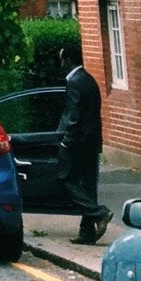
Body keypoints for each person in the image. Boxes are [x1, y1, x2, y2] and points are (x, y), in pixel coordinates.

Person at [54, 49, 109, 245]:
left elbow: (74, 115)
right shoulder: (88, 79)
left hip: (77, 143)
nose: (61, 64)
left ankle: (99, 212)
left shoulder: (75, 81)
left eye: (62, 60)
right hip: (92, 141)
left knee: (64, 178)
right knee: (88, 186)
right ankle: (87, 233)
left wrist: (66, 141)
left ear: (68, 59)